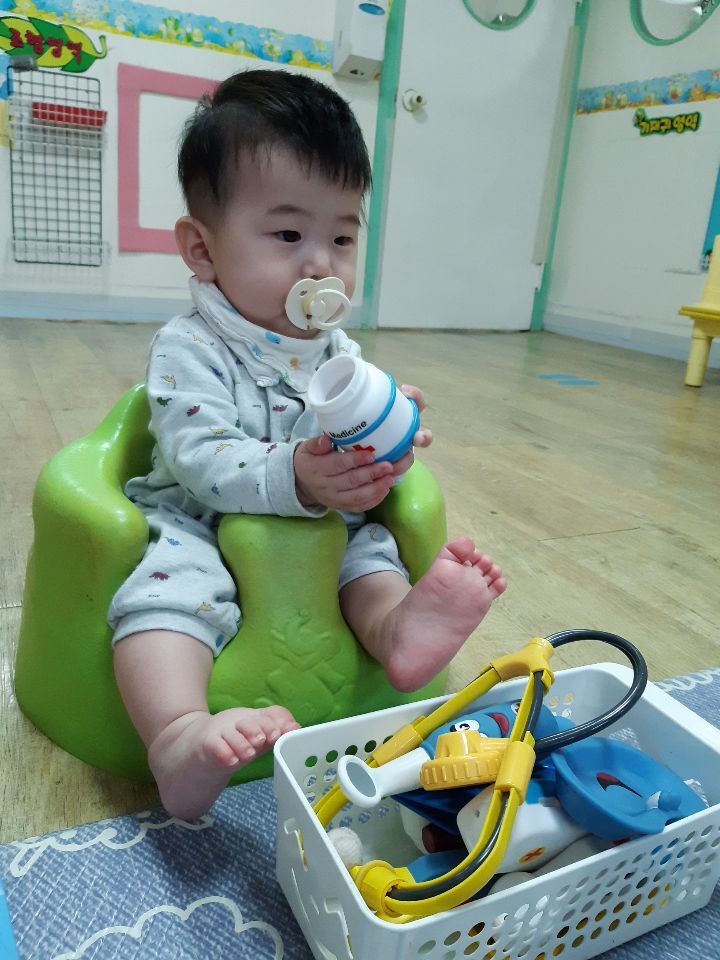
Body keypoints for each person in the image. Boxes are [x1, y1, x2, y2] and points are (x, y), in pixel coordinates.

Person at [109, 69, 507, 820]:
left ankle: (399, 631)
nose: (321, 264)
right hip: (204, 521)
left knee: (370, 554)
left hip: (325, 525)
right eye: (289, 235)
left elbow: (354, 447)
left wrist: (385, 437)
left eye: (342, 237)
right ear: (202, 249)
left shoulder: (335, 350)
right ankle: (177, 734)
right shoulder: (190, 345)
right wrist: (294, 472)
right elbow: (197, 455)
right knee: (166, 592)